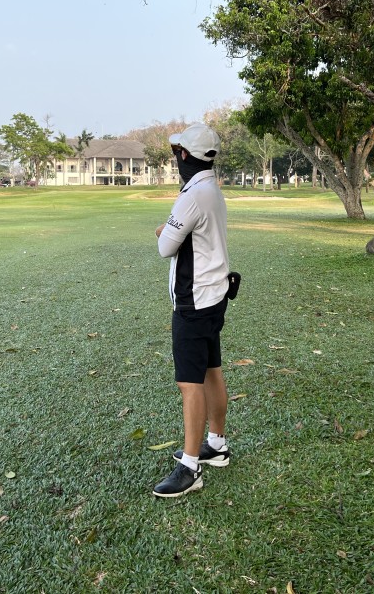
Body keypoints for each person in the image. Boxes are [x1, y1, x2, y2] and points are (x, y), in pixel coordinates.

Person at [152, 123, 232, 498]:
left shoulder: (192, 196)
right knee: (211, 370)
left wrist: (164, 231)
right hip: (214, 297)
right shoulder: (211, 190)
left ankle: (190, 466)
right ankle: (215, 444)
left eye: (177, 153)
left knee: (190, 383)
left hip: (194, 302)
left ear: (184, 155)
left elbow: (166, 247)